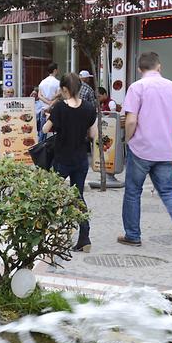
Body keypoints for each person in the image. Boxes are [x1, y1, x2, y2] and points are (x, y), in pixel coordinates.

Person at [119, 52, 172, 252]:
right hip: (166, 148)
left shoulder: (137, 87)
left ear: (140, 69)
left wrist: (128, 139)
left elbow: (130, 120)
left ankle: (132, 235)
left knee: (132, 191)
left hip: (141, 148)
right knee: (167, 191)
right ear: (159, 67)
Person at [43, 74, 97, 252]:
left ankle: (44, 232)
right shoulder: (89, 108)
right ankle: (85, 236)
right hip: (80, 159)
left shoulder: (59, 108)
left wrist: (51, 119)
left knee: (49, 194)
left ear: (64, 89)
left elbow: (45, 129)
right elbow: (93, 134)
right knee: (78, 196)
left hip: (62, 158)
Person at [38, 63, 60, 141]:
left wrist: (47, 103)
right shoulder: (57, 83)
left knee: (42, 132)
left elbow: (39, 96)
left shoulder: (42, 82)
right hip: (53, 110)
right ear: (55, 70)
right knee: (55, 132)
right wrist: (50, 104)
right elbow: (58, 97)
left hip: (43, 109)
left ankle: (40, 149)